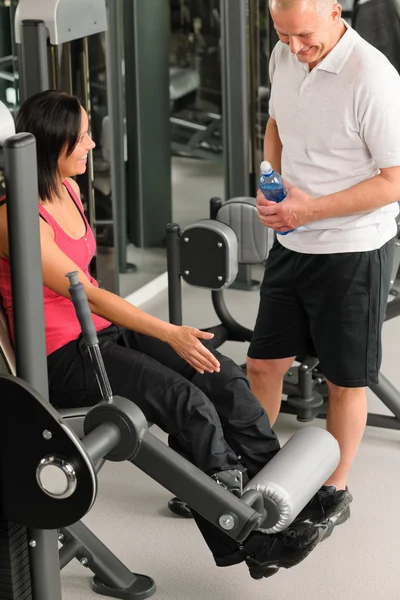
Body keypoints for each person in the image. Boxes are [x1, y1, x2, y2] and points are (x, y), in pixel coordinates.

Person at [0, 90, 333, 580]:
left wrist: (171, 338)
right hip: (62, 354)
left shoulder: (69, 189)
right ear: (54, 146)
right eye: (84, 137)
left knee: (221, 375)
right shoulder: (15, 218)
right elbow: (84, 295)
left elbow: (93, 291)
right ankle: (250, 540)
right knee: (187, 405)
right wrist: (168, 331)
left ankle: (284, 501)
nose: (93, 145)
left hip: (102, 333)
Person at [247, 0, 400, 527]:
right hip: (293, 241)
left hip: (352, 247)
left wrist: (307, 207)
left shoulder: (373, 77)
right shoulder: (284, 53)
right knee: (263, 364)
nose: (293, 48)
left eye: (304, 36)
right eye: (283, 35)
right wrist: (272, 175)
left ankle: (331, 493)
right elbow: (275, 123)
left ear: (336, 11)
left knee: (345, 381)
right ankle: (250, 471)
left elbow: (394, 180)